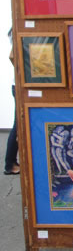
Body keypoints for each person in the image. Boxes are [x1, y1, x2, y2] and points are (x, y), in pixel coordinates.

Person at [4, 29, 19, 176]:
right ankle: (10, 164)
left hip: (18, 85)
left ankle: (11, 163)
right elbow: (12, 56)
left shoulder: (14, 30)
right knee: (19, 125)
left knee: (19, 124)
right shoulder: (17, 29)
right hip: (20, 85)